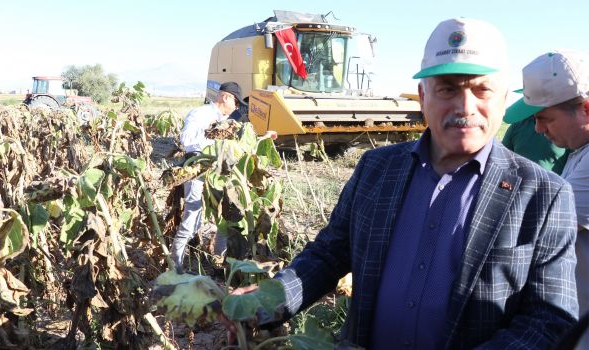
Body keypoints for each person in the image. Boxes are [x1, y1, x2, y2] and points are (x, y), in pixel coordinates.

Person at [231, 18, 579, 349]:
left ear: (504, 100)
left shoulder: (543, 195)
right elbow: (329, 254)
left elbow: (547, 320)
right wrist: (271, 298)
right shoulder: (377, 168)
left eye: (481, 89)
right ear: (422, 95)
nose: (465, 106)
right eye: (447, 89)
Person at [504, 49, 589, 350]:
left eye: (545, 119)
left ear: (586, 109)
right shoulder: (579, 152)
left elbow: (539, 230)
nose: (538, 129)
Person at [170, 81, 247, 270]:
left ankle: (217, 261)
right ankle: (175, 264)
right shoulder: (201, 114)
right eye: (236, 103)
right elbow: (186, 139)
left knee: (224, 214)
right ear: (226, 97)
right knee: (193, 214)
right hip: (198, 168)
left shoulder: (227, 121)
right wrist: (213, 133)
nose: (236, 108)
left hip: (219, 172)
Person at [502, 113, 569, 174]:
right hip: (520, 184)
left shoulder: (566, 127)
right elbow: (503, 158)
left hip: (554, 185)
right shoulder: (517, 126)